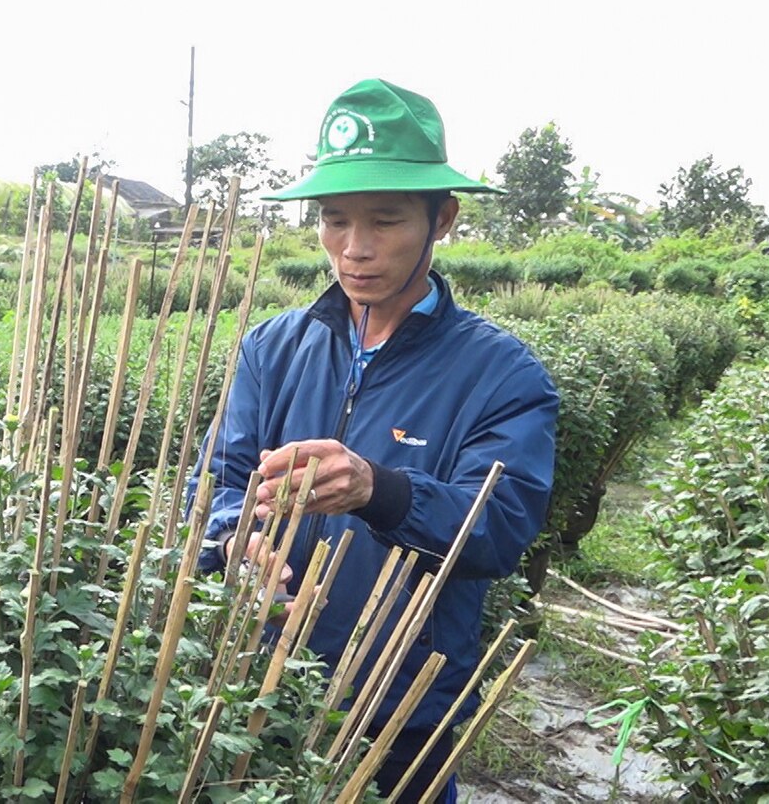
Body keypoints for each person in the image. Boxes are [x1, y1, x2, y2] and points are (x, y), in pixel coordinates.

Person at [189, 80, 557, 804]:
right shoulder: (274, 346)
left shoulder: (502, 373)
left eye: (385, 220)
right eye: (334, 220)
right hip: (258, 680)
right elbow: (220, 480)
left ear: (441, 218)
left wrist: (379, 490)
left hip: (401, 704)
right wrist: (235, 541)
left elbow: (501, 528)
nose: (354, 249)